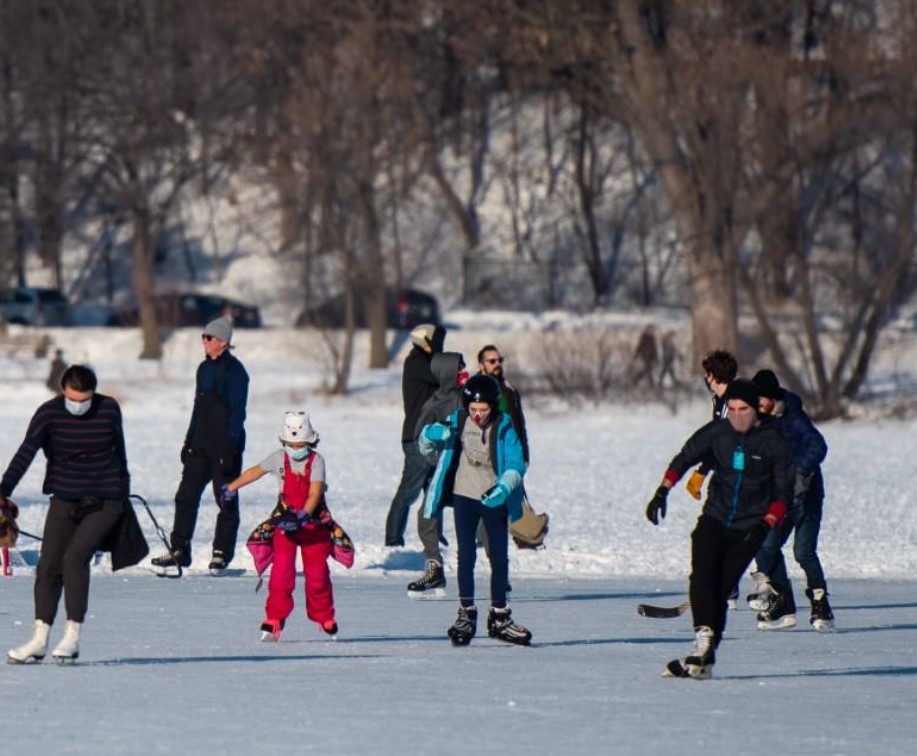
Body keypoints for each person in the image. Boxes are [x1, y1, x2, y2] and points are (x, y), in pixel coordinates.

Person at [644, 378, 793, 679]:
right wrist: (663, 490)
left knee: (722, 587)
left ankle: (706, 653)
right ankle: (704, 642)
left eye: (744, 409)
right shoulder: (718, 433)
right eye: (732, 408)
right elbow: (685, 457)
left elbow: (783, 494)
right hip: (715, 517)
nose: (737, 415)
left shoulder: (773, 443)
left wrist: (767, 524)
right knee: (701, 576)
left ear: (757, 411)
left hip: (750, 526)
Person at [4, 365, 131, 663]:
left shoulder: (109, 409)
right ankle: (38, 639)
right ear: (63, 391)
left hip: (105, 499)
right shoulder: (48, 413)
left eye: (84, 399)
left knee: (75, 558)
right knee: (48, 566)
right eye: (73, 399)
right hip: (64, 498)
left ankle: (72, 636)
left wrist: (123, 494)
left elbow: (120, 452)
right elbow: (27, 451)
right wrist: (3, 489)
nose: (79, 405)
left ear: (93, 393)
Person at [417, 374, 531, 646]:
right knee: (465, 555)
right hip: (464, 495)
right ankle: (466, 612)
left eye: (483, 410)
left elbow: (517, 464)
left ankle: (500, 616)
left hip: (494, 497)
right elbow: (424, 444)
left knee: (499, 557)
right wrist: (431, 434)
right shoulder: (458, 420)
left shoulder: (505, 427)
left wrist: (503, 488)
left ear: (493, 407)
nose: (477, 416)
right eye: (473, 410)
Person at [221, 412, 338, 640]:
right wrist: (232, 487)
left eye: (301, 444)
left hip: (313, 527)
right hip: (285, 523)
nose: (296, 448)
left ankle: (324, 617)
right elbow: (255, 472)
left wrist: (305, 513)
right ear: (284, 441)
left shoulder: (317, 461)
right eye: (291, 444)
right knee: (281, 573)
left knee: (317, 575)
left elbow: (315, 491)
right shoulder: (277, 458)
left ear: (310, 441)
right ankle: (274, 617)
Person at [151, 316, 249, 575]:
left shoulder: (236, 373)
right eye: (203, 337)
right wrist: (188, 441)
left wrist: (229, 448)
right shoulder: (203, 369)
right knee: (185, 497)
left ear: (223, 342)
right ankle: (179, 550)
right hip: (200, 446)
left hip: (225, 448)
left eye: (208, 338)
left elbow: (237, 414)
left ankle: (221, 554)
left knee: (225, 499)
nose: (203, 342)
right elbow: (197, 409)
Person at [748, 369, 835, 632]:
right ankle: (782, 604)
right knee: (766, 546)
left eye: (761, 400)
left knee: (803, 551)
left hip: (806, 497)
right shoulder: (757, 422)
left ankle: (821, 605)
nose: (757, 405)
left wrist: (798, 470)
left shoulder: (793, 417)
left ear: (773, 398)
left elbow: (818, 445)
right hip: (780, 500)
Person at [406, 351, 468, 598]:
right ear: (447, 373)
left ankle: (499, 570)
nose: (464, 371)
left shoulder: (471, 396)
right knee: (427, 514)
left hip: (470, 471)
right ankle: (434, 568)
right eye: (459, 367)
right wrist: (433, 434)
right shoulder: (433, 404)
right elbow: (420, 442)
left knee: (481, 520)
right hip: (444, 470)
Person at [384, 322, 446, 547]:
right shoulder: (417, 363)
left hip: (433, 437)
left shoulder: (428, 363)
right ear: (426, 343)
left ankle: (434, 536)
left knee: (434, 490)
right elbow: (443, 374)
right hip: (417, 438)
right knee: (408, 491)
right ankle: (393, 539)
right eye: (437, 342)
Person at [631, 325, 658, 389]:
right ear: (647, 330)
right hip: (645, 356)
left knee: (647, 370)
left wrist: (656, 357)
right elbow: (640, 347)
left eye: (652, 330)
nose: (652, 331)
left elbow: (654, 348)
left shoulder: (652, 338)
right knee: (648, 370)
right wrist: (636, 355)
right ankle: (651, 384)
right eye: (650, 329)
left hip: (651, 356)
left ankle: (636, 379)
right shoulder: (644, 337)